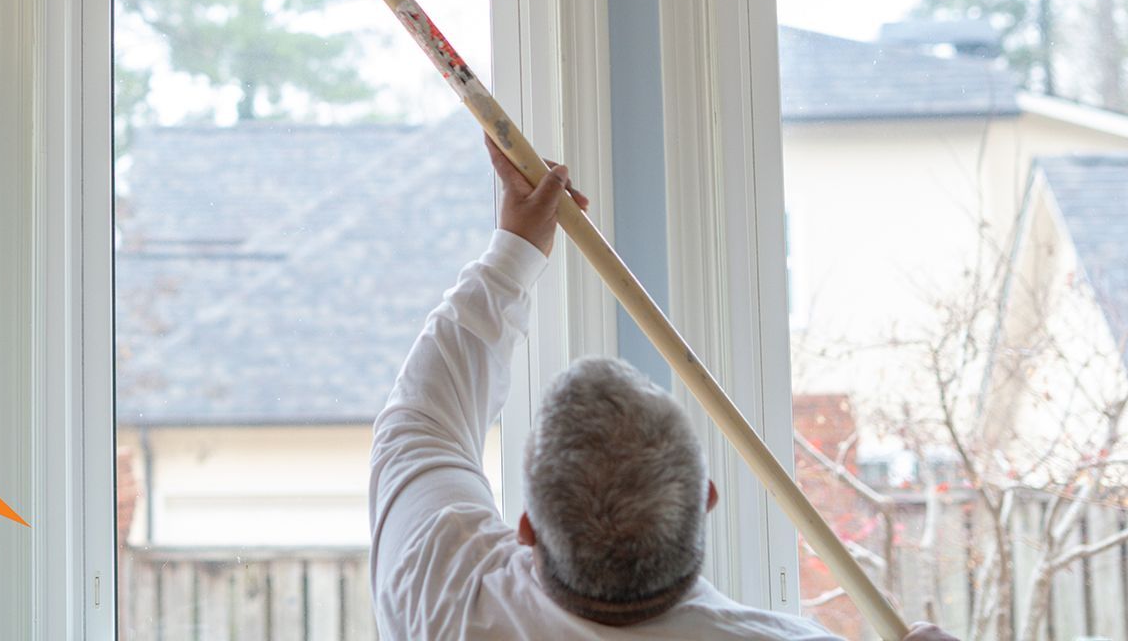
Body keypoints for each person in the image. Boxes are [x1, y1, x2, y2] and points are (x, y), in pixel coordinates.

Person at [368, 133, 960, 641]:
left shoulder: (441, 595)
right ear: (706, 499)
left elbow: (421, 419)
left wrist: (514, 251)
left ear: (527, 529)